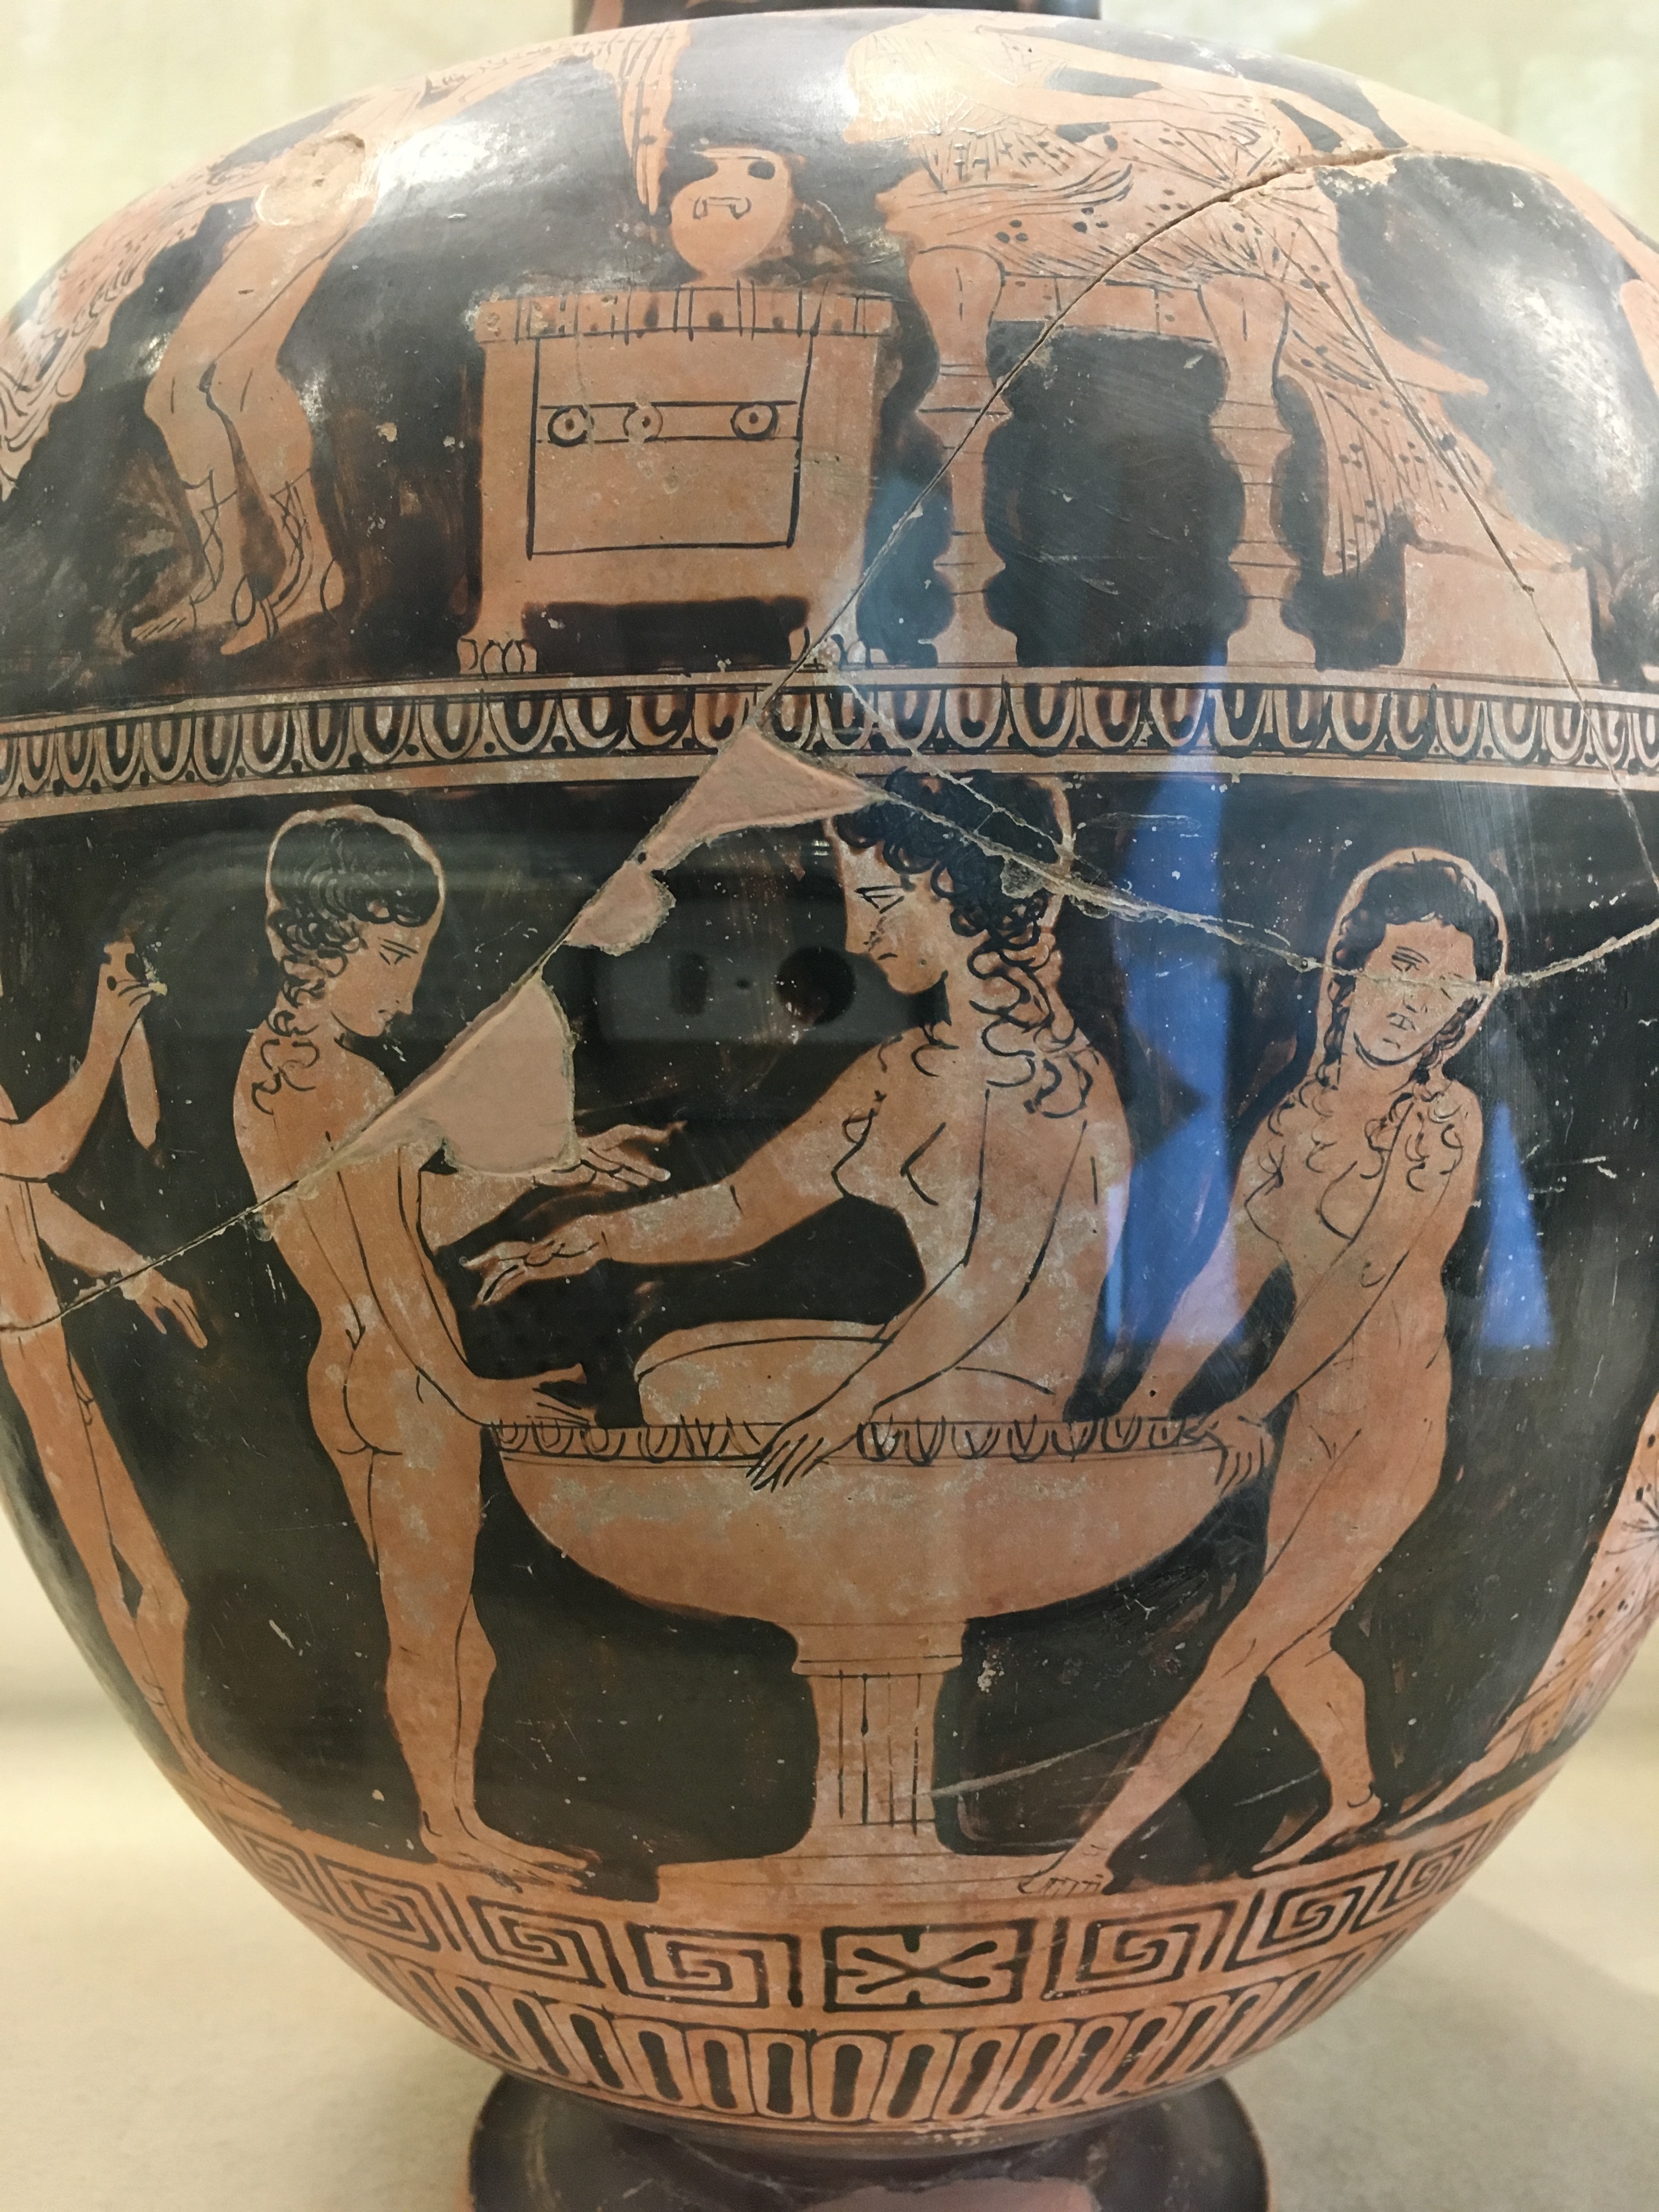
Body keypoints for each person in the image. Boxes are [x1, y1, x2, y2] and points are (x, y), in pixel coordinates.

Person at [1026, 849, 1506, 1894]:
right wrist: (1150, 1399)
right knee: (1297, 1642)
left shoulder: (1444, 1121)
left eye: (1446, 988)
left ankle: (1091, 1855)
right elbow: (1231, 1270)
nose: (1415, 1003)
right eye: (1403, 967)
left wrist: (1254, 1400)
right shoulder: (1294, 1123)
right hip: (1319, 1420)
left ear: (1464, 1015)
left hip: (1391, 1427)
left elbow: (1368, 1278)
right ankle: (1358, 1802)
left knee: (1244, 1646)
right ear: (1352, 965)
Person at [473, 770, 1131, 1493]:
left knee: (708, 1402)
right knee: (674, 1370)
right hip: (913, 1367)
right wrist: (599, 1236)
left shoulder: (1051, 1085)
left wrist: (845, 1406)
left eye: (879, 902)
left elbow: (985, 1291)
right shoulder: (903, 1070)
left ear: (958, 893)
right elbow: (743, 1206)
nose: (855, 935)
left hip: (1002, 1399)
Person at [235, 805, 665, 1878]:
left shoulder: (270, 1065)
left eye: (416, 954)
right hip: (407, 1382)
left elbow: (395, 1222)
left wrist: (547, 1170)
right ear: (327, 941)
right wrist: (472, 1389)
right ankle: (451, 1830)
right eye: (391, 954)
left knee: (449, 1629)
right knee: (434, 1632)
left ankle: (456, 1821)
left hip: (345, 1369)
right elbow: (395, 1267)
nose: (408, 983)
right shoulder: (357, 1084)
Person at [0, 936, 267, 1810]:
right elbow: (44, 1152)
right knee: (113, 1581)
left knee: (162, 1588)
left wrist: (132, 1269)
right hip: (28, 1362)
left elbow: (36, 1212)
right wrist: (107, 1034)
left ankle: (193, 1751)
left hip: (52, 1356)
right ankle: (191, 1751)